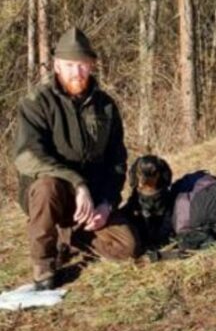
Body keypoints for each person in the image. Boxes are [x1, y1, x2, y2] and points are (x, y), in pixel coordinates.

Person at [15, 28, 138, 290]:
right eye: (69, 65)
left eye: (82, 65)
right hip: (51, 196)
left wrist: (106, 203)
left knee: (126, 247)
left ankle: (73, 235)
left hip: (91, 200)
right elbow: (27, 157)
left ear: (91, 66)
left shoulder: (105, 106)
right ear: (57, 66)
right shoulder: (36, 102)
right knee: (48, 186)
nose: (76, 72)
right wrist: (77, 183)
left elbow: (117, 161)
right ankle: (44, 265)